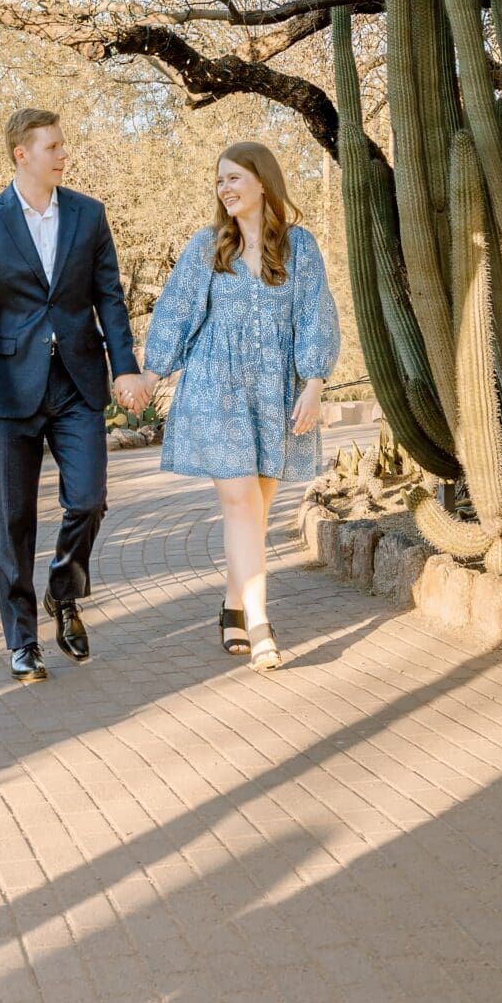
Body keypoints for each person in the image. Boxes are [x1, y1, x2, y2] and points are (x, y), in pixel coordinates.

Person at [0, 108, 151, 683]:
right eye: (54, 146)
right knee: (13, 521)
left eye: (63, 145)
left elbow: (109, 297)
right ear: (22, 153)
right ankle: (22, 640)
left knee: (88, 499)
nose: (64, 154)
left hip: (78, 381)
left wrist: (125, 367)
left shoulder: (89, 215)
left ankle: (64, 592)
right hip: (11, 387)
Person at [137, 141, 341, 672]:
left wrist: (315, 384)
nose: (225, 189)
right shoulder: (208, 247)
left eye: (234, 178)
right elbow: (177, 312)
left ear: (263, 181)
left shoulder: (301, 248)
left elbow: (315, 317)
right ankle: (260, 625)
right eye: (220, 181)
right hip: (215, 389)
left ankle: (232, 604)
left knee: (257, 509)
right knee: (240, 505)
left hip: (276, 391)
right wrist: (150, 373)